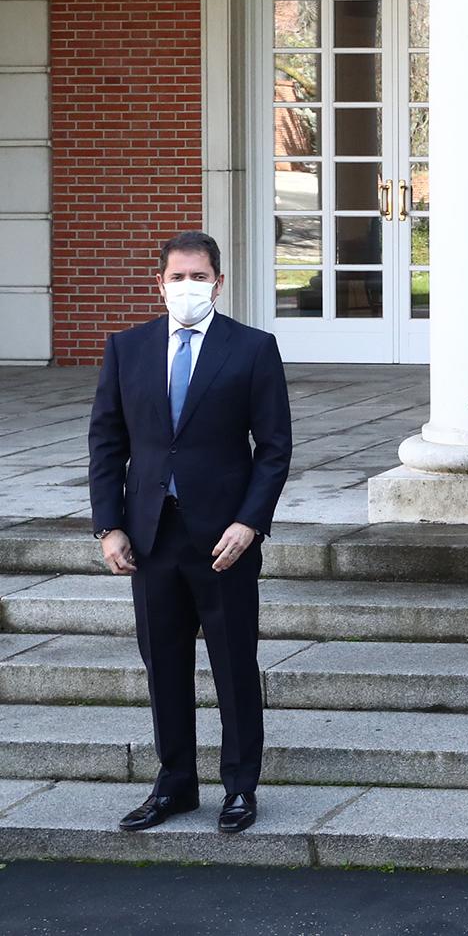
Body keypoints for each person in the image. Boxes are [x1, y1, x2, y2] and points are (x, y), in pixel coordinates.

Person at [87, 232, 291, 835]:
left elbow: (274, 449)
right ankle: (174, 784)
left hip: (224, 538)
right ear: (160, 283)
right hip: (150, 536)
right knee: (164, 665)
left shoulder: (252, 348)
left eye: (198, 277)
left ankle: (239, 787)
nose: (187, 287)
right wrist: (109, 525)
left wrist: (249, 522)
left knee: (233, 663)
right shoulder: (127, 348)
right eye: (177, 277)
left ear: (218, 283)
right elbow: (106, 442)